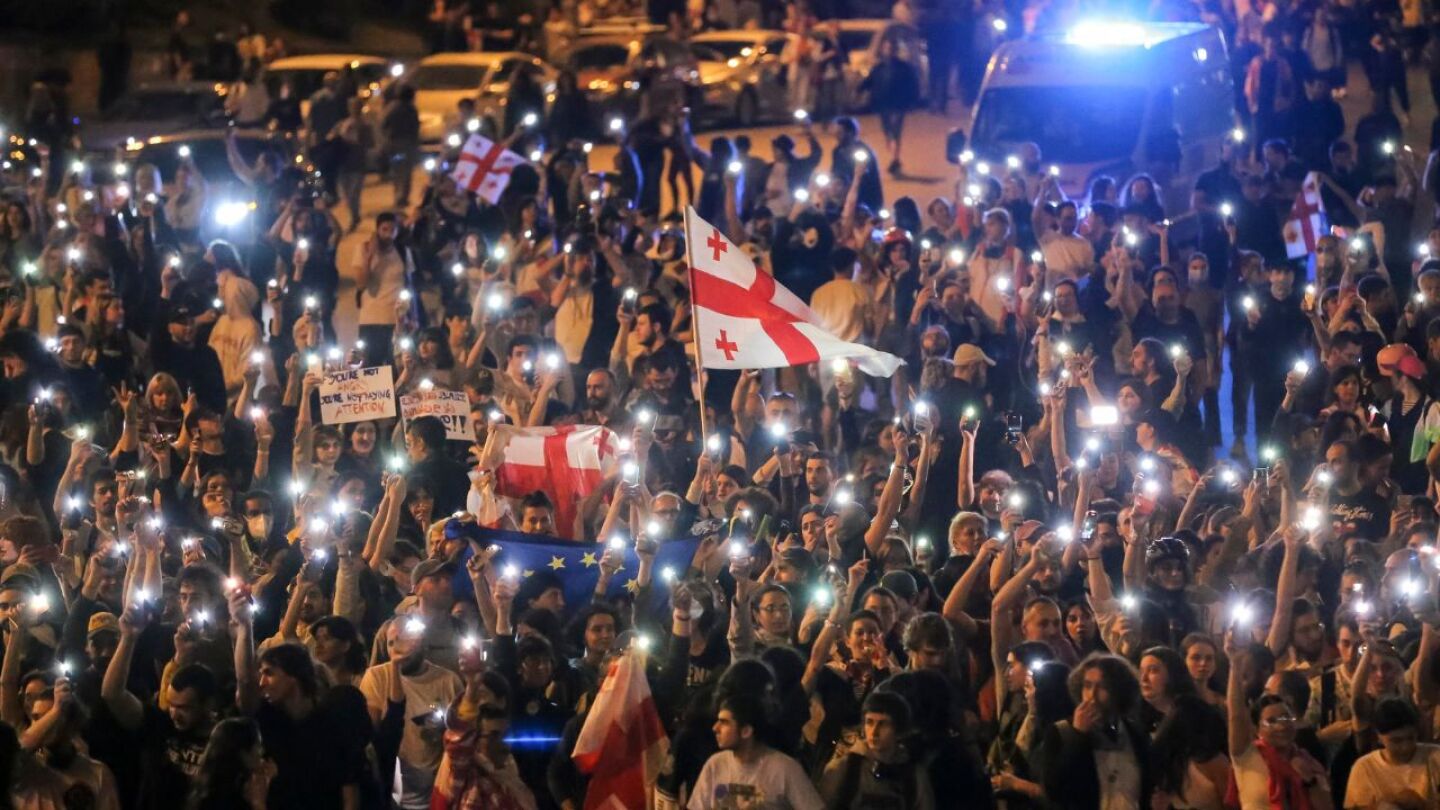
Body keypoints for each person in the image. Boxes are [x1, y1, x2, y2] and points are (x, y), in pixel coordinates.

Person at [688, 693, 824, 810]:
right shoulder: (715, 764)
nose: (715, 728)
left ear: (746, 731)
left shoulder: (785, 769)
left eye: (724, 722)